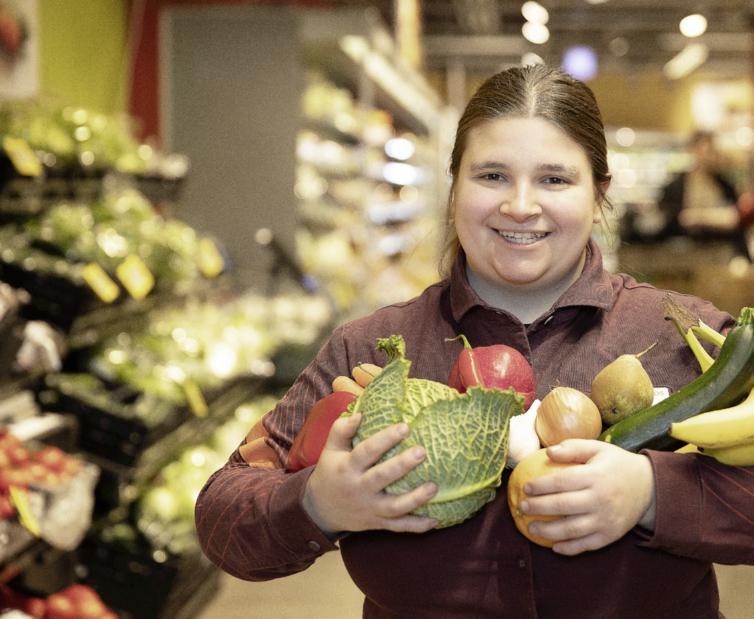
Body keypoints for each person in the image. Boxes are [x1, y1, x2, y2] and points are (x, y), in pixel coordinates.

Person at [195, 65, 754, 618]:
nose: (520, 206)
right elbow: (222, 518)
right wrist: (318, 503)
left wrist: (654, 493)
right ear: (454, 185)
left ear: (598, 193)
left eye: (554, 179)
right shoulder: (369, 350)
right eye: (492, 175)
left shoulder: (687, 339)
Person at [657, 130, 751, 260]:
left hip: (721, 251)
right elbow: (669, 220)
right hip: (685, 253)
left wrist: (698, 217)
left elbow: (734, 218)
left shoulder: (724, 185)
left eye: (711, 151)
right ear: (692, 150)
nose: (708, 156)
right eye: (705, 151)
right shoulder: (675, 186)